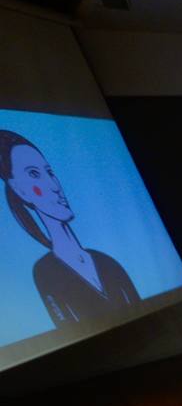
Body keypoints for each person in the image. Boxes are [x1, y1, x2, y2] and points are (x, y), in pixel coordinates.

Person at [1, 129, 142, 329]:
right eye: (34, 174)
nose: (53, 185)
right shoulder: (44, 272)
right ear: (19, 189)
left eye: (50, 172)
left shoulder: (107, 262)